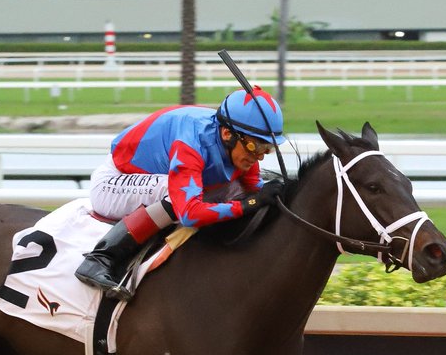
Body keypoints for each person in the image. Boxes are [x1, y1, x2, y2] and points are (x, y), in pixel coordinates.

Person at [74, 86, 287, 301]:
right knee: (174, 189)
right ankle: (101, 258)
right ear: (227, 134)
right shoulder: (191, 143)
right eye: (254, 146)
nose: (259, 157)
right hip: (112, 184)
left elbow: (252, 189)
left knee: (235, 190)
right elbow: (189, 213)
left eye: (266, 148)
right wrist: (247, 204)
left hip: (153, 178)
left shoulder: (239, 143)